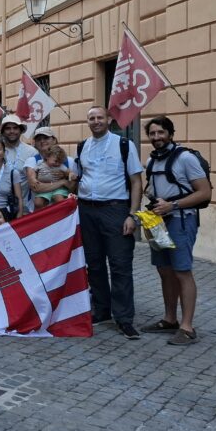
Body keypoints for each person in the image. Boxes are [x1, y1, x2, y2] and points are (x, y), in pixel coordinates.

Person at [71, 106, 144, 340]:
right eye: (91, 118)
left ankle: (124, 318)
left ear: (109, 120)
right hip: (87, 210)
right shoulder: (82, 147)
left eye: (99, 117)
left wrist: (133, 215)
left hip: (115, 210)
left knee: (120, 265)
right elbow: (78, 178)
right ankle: (101, 310)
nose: (95, 121)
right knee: (93, 264)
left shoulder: (124, 145)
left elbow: (136, 182)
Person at [139, 116, 211, 346]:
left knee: (182, 271)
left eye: (161, 133)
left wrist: (173, 205)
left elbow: (204, 192)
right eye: (152, 134)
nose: (156, 138)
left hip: (181, 220)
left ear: (170, 133)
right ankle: (169, 319)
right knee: (164, 270)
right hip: (159, 222)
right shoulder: (153, 160)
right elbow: (152, 187)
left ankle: (187, 327)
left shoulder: (186, 158)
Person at [24, 126, 74, 209]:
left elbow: (73, 187)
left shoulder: (69, 161)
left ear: (54, 140)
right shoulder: (32, 161)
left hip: (62, 212)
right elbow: (36, 187)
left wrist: (68, 179)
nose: (42, 141)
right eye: (38, 139)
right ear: (35, 143)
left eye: (46, 138)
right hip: (41, 212)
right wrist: (63, 182)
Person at [0, 115, 38, 212]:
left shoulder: (31, 152)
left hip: (25, 207)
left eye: (15, 128)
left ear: (20, 130)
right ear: (3, 132)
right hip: (0, 206)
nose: (12, 131)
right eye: (8, 128)